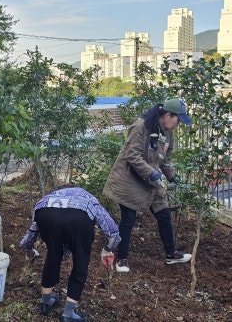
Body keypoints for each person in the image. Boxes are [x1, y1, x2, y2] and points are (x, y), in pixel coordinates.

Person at [103, 98, 192, 273]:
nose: (178, 124)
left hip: (152, 180)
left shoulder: (166, 132)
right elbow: (132, 155)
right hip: (130, 180)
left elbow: (165, 160)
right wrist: (151, 172)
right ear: (167, 115)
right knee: (128, 219)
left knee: (164, 214)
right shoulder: (141, 126)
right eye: (177, 120)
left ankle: (171, 254)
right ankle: (122, 259)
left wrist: (173, 177)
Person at [19, 186, 120, 322]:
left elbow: (30, 236)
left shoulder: (46, 201)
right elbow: (113, 232)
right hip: (79, 218)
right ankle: (68, 314)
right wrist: (107, 250)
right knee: (81, 260)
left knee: (53, 254)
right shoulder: (89, 199)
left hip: (45, 214)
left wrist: (29, 251)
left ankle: (45, 302)